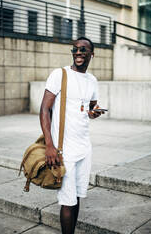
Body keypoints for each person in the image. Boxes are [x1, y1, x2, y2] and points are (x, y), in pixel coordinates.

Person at [40, 37, 104, 234]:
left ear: (91, 54)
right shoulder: (60, 75)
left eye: (83, 50)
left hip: (85, 147)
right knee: (67, 201)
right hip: (64, 149)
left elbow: (91, 108)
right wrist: (50, 146)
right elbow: (44, 110)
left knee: (76, 197)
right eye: (75, 49)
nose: (78, 53)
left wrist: (94, 113)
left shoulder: (92, 80)